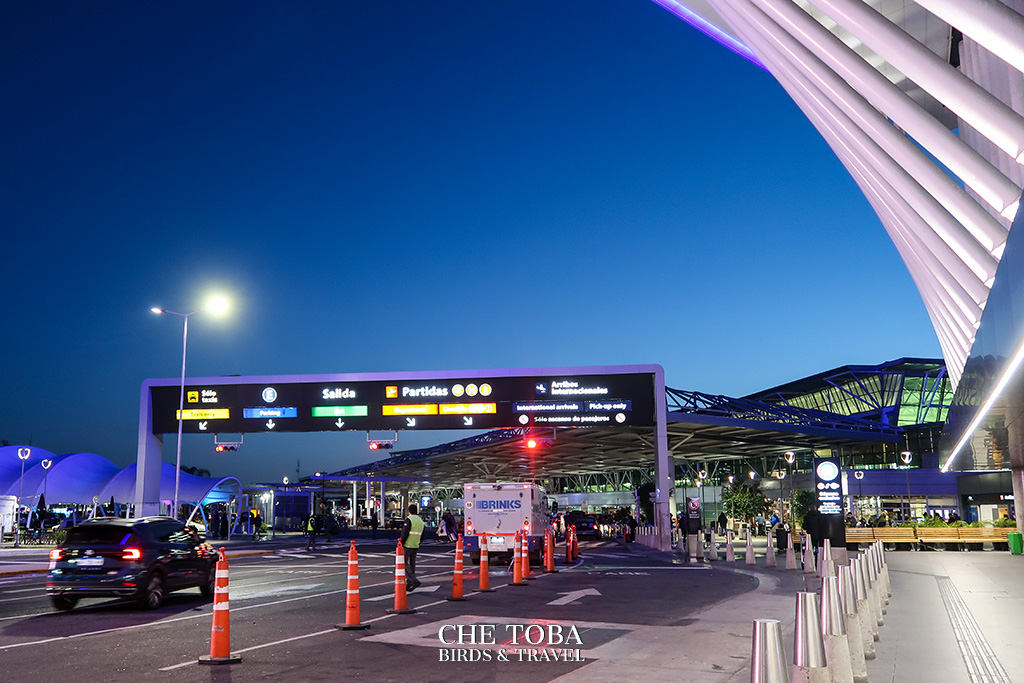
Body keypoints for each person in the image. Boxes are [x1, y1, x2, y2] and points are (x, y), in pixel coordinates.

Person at [401, 504, 425, 591]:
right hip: (416, 544)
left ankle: (413, 580)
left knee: (403, 562)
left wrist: (401, 542)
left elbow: (405, 533)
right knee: (412, 564)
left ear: (409, 511)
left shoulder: (409, 519)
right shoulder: (421, 521)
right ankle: (410, 582)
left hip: (408, 544)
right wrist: (418, 542)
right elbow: (422, 536)